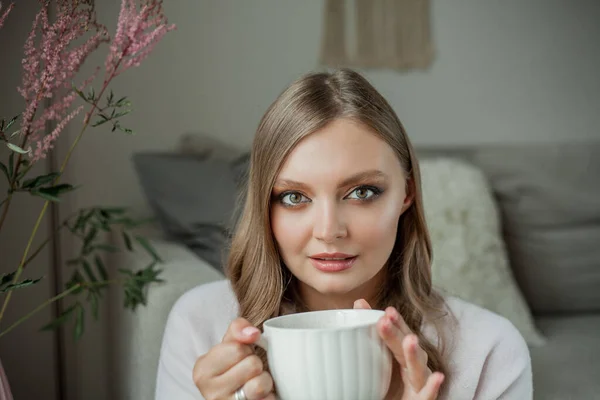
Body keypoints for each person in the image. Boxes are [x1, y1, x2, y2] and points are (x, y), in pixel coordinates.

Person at [155, 69, 533, 400]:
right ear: (264, 206)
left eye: (362, 192)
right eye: (294, 197)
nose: (328, 231)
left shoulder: (489, 351)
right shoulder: (200, 325)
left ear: (407, 193)